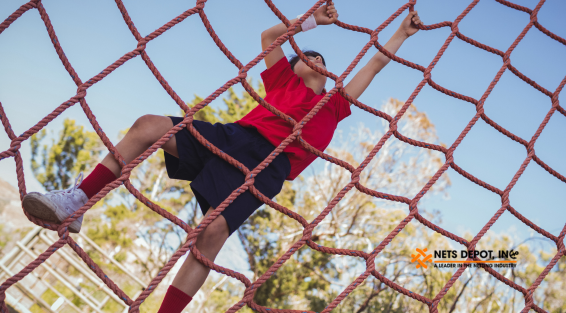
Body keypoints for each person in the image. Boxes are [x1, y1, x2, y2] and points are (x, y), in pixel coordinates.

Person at [21, 2, 422, 312]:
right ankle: (76, 202)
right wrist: (311, 21)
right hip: (234, 138)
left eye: (323, 61)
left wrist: (402, 34)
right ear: (296, 66)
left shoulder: (334, 105)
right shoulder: (281, 79)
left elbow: (377, 61)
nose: (317, 62)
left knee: (211, 234)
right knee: (149, 125)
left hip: (268, 167)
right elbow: (270, 37)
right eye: (309, 57)